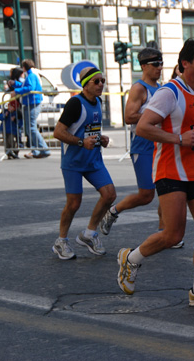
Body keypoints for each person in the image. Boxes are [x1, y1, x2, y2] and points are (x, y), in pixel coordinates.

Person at [116, 39, 194, 307]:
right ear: (185, 64)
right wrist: (179, 138)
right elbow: (143, 127)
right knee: (173, 235)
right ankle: (131, 259)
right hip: (171, 171)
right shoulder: (169, 92)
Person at [98, 48, 183, 249]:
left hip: (160, 146)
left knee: (165, 190)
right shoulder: (139, 88)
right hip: (143, 147)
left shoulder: (162, 88)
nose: (159, 68)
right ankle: (113, 211)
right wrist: (154, 116)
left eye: (161, 64)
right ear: (144, 66)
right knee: (146, 195)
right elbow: (129, 116)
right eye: (155, 65)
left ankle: (166, 233)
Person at [52, 67, 116, 260]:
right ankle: (61, 241)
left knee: (109, 195)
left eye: (102, 80)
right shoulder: (75, 104)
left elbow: (90, 129)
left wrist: (100, 138)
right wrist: (80, 142)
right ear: (85, 84)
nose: (101, 85)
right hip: (74, 161)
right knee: (74, 203)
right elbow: (58, 132)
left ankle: (89, 234)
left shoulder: (98, 101)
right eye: (96, 81)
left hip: (93, 160)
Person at [13, 59, 51, 159]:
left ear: (24, 67)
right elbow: (24, 86)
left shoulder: (31, 76)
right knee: (30, 128)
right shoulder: (30, 76)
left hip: (33, 103)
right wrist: (14, 84)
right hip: (30, 103)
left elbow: (30, 88)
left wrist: (16, 91)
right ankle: (37, 150)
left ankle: (43, 148)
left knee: (32, 128)